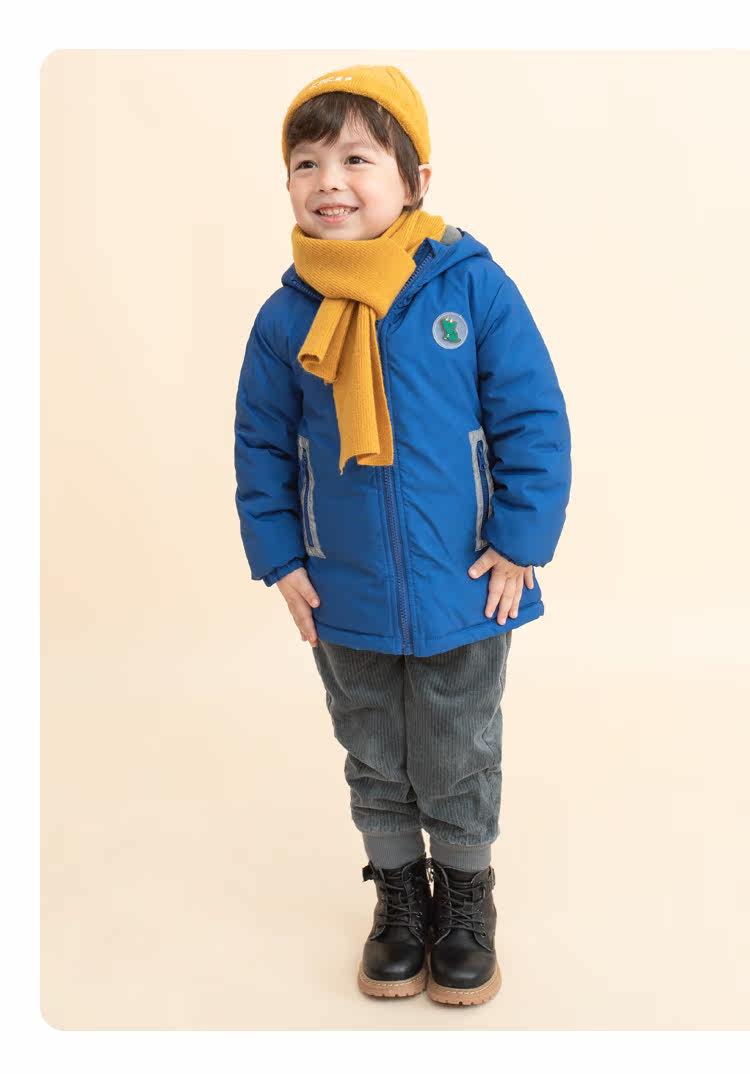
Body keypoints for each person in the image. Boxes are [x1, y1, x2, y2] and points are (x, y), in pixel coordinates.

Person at [234, 64, 572, 1006]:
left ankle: (464, 898)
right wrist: (281, 558)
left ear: (415, 180)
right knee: (374, 748)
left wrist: (521, 540)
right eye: (306, 162)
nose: (329, 181)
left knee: (457, 747)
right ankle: (398, 896)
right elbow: (261, 443)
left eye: (357, 159)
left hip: (466, 580)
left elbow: (532, 418)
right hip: (344, 585)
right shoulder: (286, 315)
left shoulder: (473, 288)